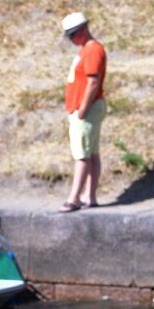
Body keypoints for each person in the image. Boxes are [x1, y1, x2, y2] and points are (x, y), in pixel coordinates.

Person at [59, 12, 107, 212]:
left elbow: (93, 81)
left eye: (72, 34)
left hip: (87, 108)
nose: (71, 39)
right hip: (86, 107)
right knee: (92, 153)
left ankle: (74, 198)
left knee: (82, 154)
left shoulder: (92, 50)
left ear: (83, 29)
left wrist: (82, 109)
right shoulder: (85, 49)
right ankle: (90, 196)